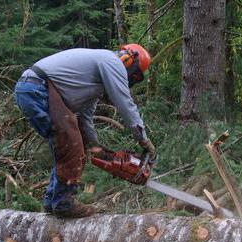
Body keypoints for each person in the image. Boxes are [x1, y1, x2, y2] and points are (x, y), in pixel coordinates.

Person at [14, 44, 156, 218]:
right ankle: (63, 202)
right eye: (133, 75)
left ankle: (52, 200)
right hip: (38, 89)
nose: (130, 79)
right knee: (70, 144)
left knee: (64, 144)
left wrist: (96, 147)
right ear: (128, 61)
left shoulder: (92, 82)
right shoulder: (112, 62)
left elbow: (85, 118)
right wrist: (143, 139)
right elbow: (125, 103)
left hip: (30, 88)